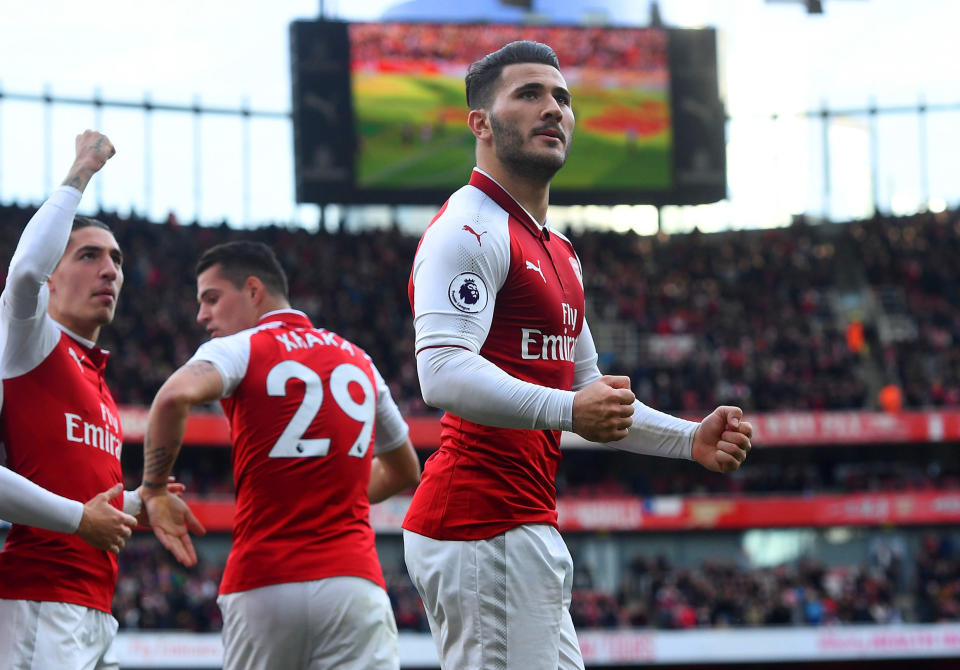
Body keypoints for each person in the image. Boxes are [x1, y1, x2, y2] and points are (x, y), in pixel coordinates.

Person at [403, 41, 754, 670]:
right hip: (480, 525)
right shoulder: (468, 228)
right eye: (529, 94)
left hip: (519, 524)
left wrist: (688, 440)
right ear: (480, 123)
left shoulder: (559, 251)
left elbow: (596, 397)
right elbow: (443, 371)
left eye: (562, 98)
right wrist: (568, 409)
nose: (552, 109)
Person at [140, 241, 421, 670]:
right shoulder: (358, 359)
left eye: (212, 298)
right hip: (353, 580)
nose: (201, 315)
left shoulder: (241, 347)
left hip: (264, 581)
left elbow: (172, 397)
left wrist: (155, 490)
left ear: (254, 291)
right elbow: (405, 470)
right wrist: (336, 493)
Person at [0, 130, 204, 670]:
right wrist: (80, 174)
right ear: (53, 277)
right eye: (89, 255)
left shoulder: (99, 383)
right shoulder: (30, 340)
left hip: (93, 609)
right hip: (36, 604)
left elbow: (90, 505)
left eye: (115, 259)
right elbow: (23, 274)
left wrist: (142, 502)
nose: (110, 269)